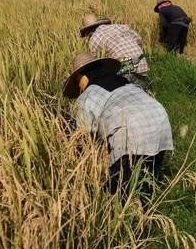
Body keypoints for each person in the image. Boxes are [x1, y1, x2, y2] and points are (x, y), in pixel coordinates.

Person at [63, 52, 173, 207]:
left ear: (83, 77)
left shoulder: (87, 95)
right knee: (147, 183)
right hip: (159, 121)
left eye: (77, 81)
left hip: (131, 132)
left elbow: (83, 137)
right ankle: (144, 216)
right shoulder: (126, 82)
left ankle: (130, 224)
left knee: (122, 194)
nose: (79, 86)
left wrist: (78, 165)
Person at [80, 13, 148, 90]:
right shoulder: (121, 27)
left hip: (124, 66)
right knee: (139, 96)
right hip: (141, 62)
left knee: (123, 97)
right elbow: (139, 40)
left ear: (88, 32)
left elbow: (98, 62)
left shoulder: (94, 38)